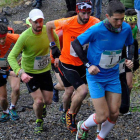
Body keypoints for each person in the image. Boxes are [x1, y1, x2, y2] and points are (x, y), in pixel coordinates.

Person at [71, 0, 134, 139]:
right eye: (116, 19)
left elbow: (131, 43)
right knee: (102, 115)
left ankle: (100, 138)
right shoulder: (97, 29)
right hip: (96, 77)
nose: (120, 23)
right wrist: (88, 65)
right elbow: (75, 43)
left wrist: (130, 58)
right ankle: (83, 126)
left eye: (122, 19)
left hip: (113, 76)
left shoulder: (126, 28)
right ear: (107, 16)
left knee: (114, 113)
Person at [46, 0, 100, 133]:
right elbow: (47, 25)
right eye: (83, 13)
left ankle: (72, 114)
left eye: (88, 13)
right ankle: (69, 114)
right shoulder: (67, 22)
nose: (86, 17)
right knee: (82, 91)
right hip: (67, 63)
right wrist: (52, 46)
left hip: (83, 63)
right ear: (77, 11)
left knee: (79, 94)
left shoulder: (95, 22)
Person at [8, 9, 60, 133]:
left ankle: (42, 108)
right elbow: (11, 57)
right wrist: (21, 72)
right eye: (35, 22)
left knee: (48, 101)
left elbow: (57, 43)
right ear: (30, 21)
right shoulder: (25, 36)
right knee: (38, 101)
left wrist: (57, 56)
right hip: (29, 73)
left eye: (40, 21)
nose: (38, 25)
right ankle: (39, 120)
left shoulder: (49, 32)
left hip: (45, 70)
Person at [52, 11, 77, 103]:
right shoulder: (60, 33)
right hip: (58, 61)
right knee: (66, 86)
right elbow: (52, 50)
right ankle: (55, 87)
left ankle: (67, 108)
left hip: (72, 60)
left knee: (73, 86)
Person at [120, 9, 139, 114]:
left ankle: (125, 104)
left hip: (128, 56)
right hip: (117, 58)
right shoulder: (119, 29)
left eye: (135, 24)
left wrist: (134, 59)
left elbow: (132, 41)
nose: (133, 26)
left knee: (129, 85)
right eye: (131, 24)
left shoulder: (134, 29)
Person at [0, 23, 20, 122]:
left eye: (4, 37)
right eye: (0, 38)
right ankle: (5, 111)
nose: (2, 41)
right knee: (3, 99)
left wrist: (22, 59)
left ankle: (12, 107)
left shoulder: (14, 37)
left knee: (16, 88)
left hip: (11, 65)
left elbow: (27, 44)